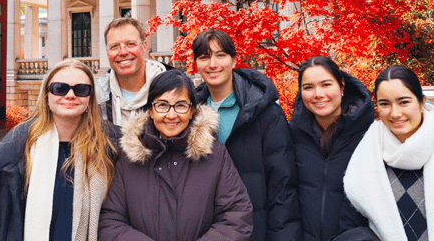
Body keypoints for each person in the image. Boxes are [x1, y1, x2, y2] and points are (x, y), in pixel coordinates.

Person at [0, 59, 118, 241]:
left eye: (81, 89)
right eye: (60, 88)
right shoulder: (15, 146)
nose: (70, 95)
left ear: (90, 98)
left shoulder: (110, 145)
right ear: (46, 95)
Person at [337, 65, 434, 241]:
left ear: (422, 102)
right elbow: (349, 228)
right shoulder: (363, 164)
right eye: (384, 104)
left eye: (404, 102)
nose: (395, 113)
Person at [99, 70, 254, 241]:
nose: (171, 115)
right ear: (150, 110)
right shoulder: (129, 158)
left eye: (180, 105)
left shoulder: (215, 155)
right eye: (162, 105)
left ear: (192, 110)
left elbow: (236, 215)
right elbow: (110, 221)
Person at [192, 29, 301, 241]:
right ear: (196, 63)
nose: (212, 64)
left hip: (255, 232)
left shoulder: (264, 112)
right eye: (204, 57)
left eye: (220, 55)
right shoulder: (189, 112)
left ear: (234, 60)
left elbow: (283, 186)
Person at [288, 56, 373, 241]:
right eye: (308, 87)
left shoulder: (369, 136)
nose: (318, 94)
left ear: (342, 86)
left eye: (326, 84)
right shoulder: (289, 135)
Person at [96, 17, 167, 126]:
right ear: (107, 52)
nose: (123, 52)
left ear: (144, 47)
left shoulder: (172, 90)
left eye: (130, 44)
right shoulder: (96, 97)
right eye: (115, 46)